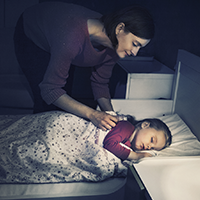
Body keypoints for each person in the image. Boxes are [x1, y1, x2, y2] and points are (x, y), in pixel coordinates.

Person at [13, 2, 155, 131]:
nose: (135, 53)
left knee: (65, 98)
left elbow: (100, 83)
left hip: (61, 39)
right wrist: (93, 114)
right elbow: (50, 90)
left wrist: (111, 115)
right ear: (120, 28)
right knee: (45, 104)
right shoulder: (72, 39)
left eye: (139, 48)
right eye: (135, 44)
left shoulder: (116, 48)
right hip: (32, 34)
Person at [103, 115, 172, 160]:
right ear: (145, 125)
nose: (149, 147)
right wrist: (135, 156)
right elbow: (109, 144)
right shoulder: (126, 127)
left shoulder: (129, 146)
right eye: (152, 140)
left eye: (152, 148)